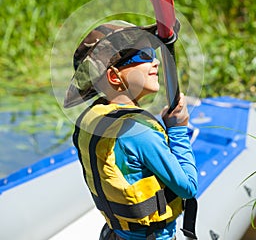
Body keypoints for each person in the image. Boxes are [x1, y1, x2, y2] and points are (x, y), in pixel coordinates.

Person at [64, 20, 198, 240]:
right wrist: (177, 130)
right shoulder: (139, 132)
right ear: (114, 76)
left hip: (114, 234)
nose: (155, 62)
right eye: (144, 55)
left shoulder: (91, 118)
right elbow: (188, 187)